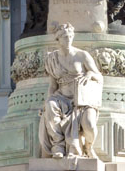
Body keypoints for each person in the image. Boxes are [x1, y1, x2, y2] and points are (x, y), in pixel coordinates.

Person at [39, 23, 103, 158]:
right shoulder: (52, 59)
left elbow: (99, 76)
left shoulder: (82, 55)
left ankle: (88, 147)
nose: (68, 40)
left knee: (90, 125)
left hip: (82, 100)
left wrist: (91, 74)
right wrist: (47, 102)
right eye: (64, 37)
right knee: (50, 106)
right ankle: (59, 145)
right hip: (61, 97)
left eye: (70, 36)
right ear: (58, 40)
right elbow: (52, 86)